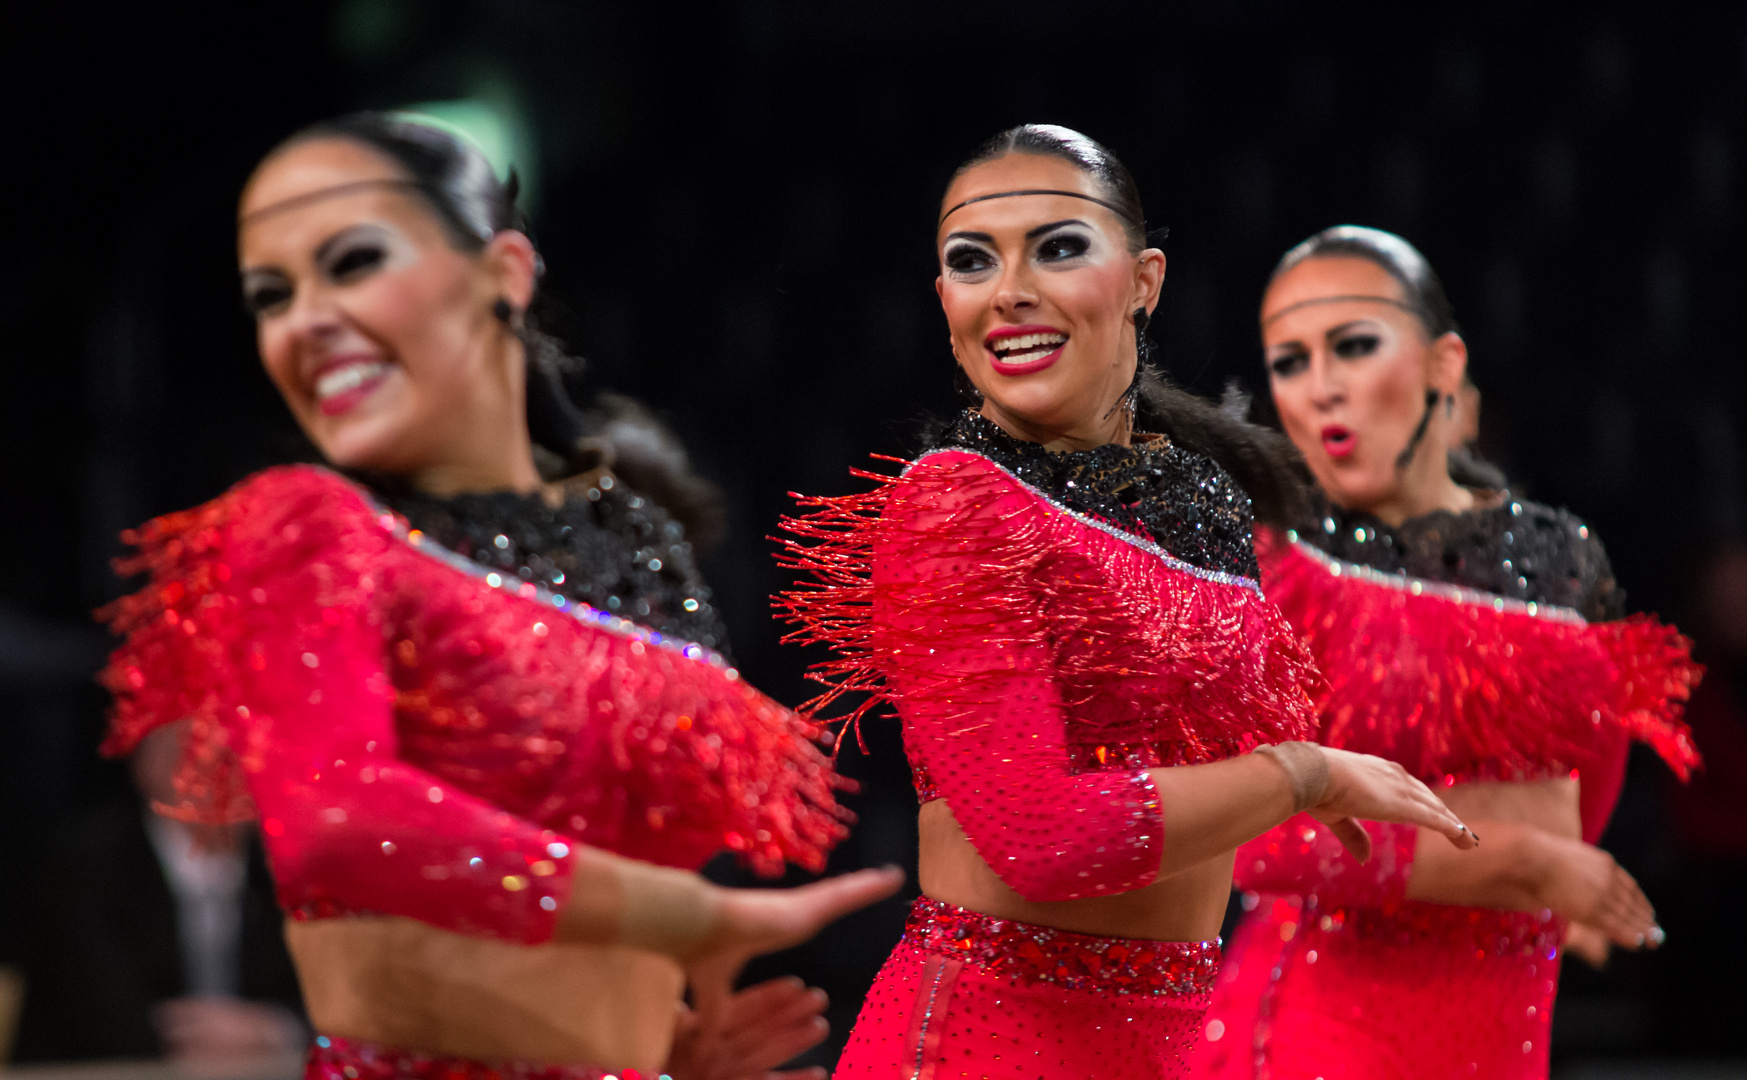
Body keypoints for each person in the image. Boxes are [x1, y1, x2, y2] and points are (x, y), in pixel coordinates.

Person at [98, 112, 901, 1079]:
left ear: (503, 273)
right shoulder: (306, 526)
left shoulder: (637, 540)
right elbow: (336, 825)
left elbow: (643, 877)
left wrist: (657, 1048)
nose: (304, 319)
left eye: (352, 262)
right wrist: (682, 918)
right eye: (273, 295)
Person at [775, 126, 1476, 1080]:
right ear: (943, 300)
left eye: (1058, 247)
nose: (1010, 289)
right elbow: (1044, 840)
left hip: (1177, 1039)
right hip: (986, 1042)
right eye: (971, 261)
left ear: (1144, 279)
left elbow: (1188, 799)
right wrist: (1300, 775)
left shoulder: (1207, 504)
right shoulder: (955, 500)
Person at [1194, 226, 1701, 1080]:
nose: (1320, 388)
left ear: (1440, 362)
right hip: (1319, 1028)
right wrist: (1519, 860)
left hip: (1503, 1023)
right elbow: (1244, 838)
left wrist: (1547, 862)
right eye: (1288, 361)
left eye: (1353, 346)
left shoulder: (1560, 555)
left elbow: (1586, 792)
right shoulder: (1275, 565)